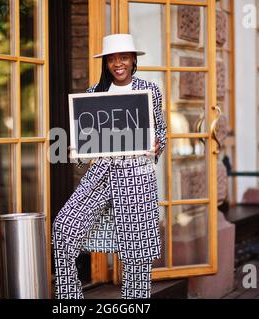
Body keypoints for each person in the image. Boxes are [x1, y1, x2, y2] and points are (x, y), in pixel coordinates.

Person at [52, 33, 167, 299]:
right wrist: (76, 151)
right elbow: (87, 141)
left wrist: (159, 144)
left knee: (137, 254)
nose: (118, 63)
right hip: (101, 174)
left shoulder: (149, 91)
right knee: (63, 229)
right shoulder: (94, 92)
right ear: (105, 62)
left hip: (137, 176)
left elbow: (162, 130)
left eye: (123, 57)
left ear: (133, 60)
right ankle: (70, 300)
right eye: (112, 58)